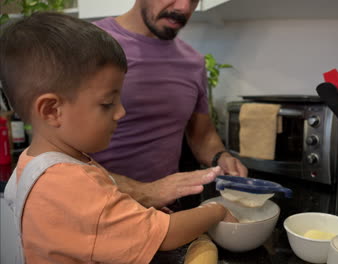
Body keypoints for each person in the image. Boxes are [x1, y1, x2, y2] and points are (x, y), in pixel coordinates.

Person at [0, 12, 237, 263]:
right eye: (107, 103)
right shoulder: (71, 182)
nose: (121, 112)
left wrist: (133, 212)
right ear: (52, 110)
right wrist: (216, 211)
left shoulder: (33, 162)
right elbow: (165, 235)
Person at [91, 0, 248, 208]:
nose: (183, 8)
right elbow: (55, 152)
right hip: (96, 210)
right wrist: (143, 192)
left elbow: (202, 134)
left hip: (164, 213)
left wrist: (221, 156)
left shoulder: (193, 62)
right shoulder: (87, 44)